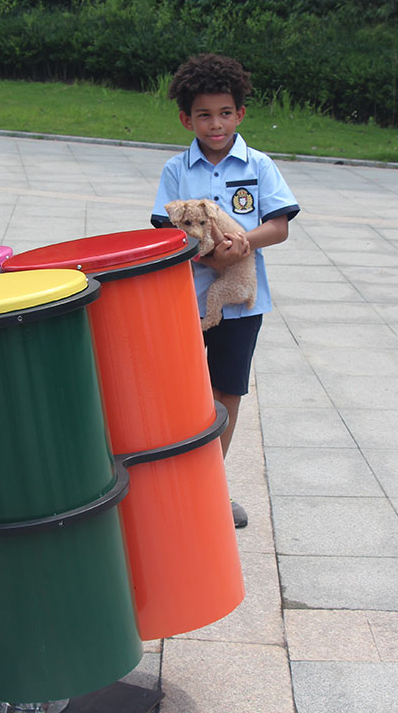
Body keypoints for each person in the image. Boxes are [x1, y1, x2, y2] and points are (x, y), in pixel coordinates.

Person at [150, 53, 299, 529]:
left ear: (240, 114)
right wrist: (207, 256)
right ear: (185, 118)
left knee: (225, 391)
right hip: (184, 302)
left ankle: (211, 486)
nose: (216, 124)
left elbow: (278, 227)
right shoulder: (176, 169)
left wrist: (242, 243)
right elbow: (165, 234)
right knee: (181, 389)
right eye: (204, 115)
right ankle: (176, 484)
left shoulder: (259, 165)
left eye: (225, 113)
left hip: (241, 306)